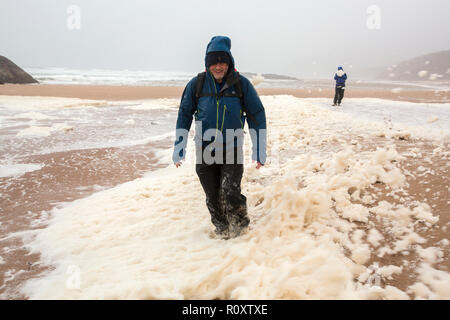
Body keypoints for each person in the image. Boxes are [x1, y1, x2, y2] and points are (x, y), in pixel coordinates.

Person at [172, 35, 267, 239]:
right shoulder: (196, 84)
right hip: (205, 148)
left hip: (232, 146)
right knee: (213, 196)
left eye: (222, 61)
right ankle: (222, 231)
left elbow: (257, 116)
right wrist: (179, 148)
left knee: (230, 191)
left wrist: (259, 150)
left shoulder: (241, 84)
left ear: (229, 62)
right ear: (207, 64)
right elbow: (184, 114)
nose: (218, 66)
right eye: (213, 62)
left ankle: (241, 230)